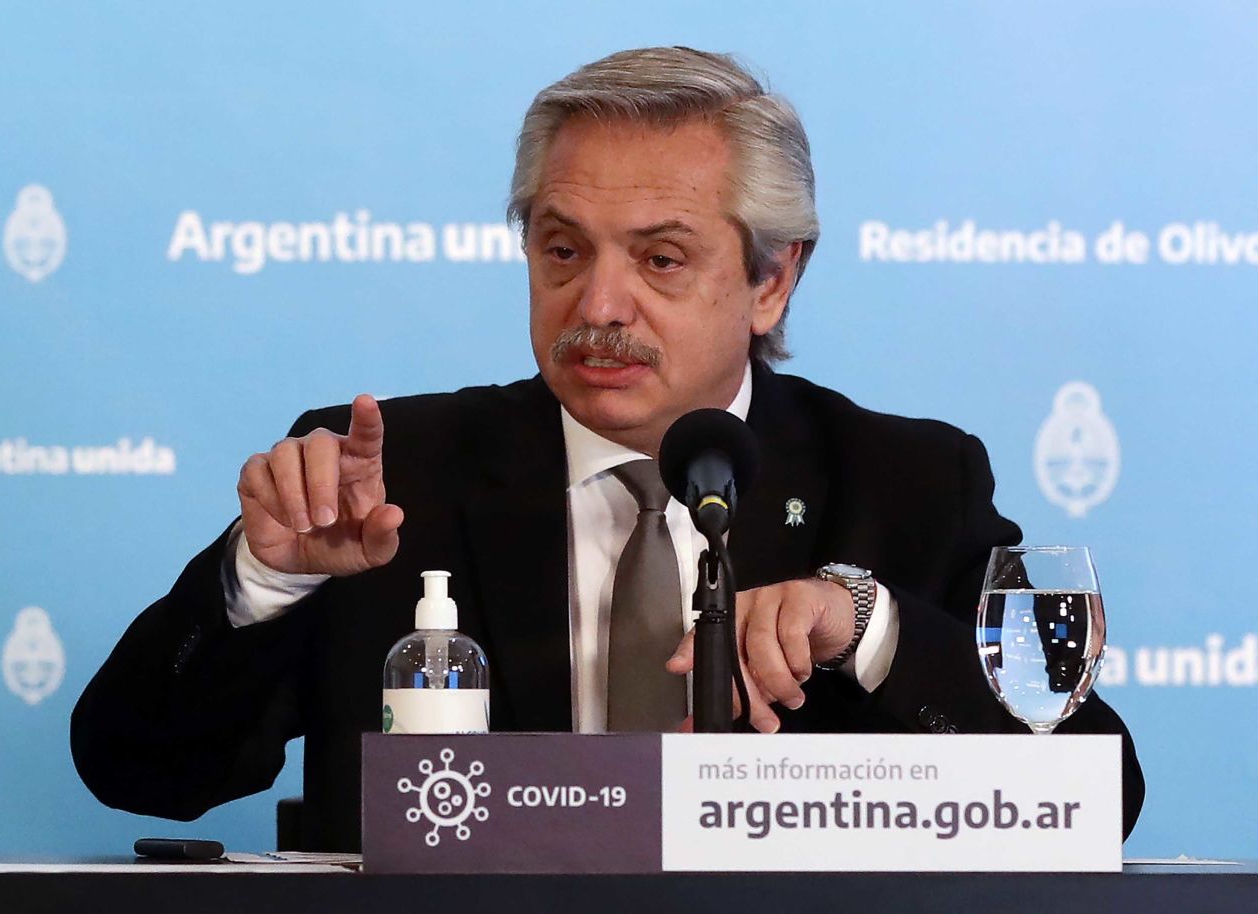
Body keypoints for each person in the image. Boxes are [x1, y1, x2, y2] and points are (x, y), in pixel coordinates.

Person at [71, 47, 1144, 851]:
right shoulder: (379, 478)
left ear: (771, 280)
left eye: (661, 258)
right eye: (560, 249)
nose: (596, 303)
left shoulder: (905, 481)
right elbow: (138, 769)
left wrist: (865, 625)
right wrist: (263, 581)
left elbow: (1100, 789)